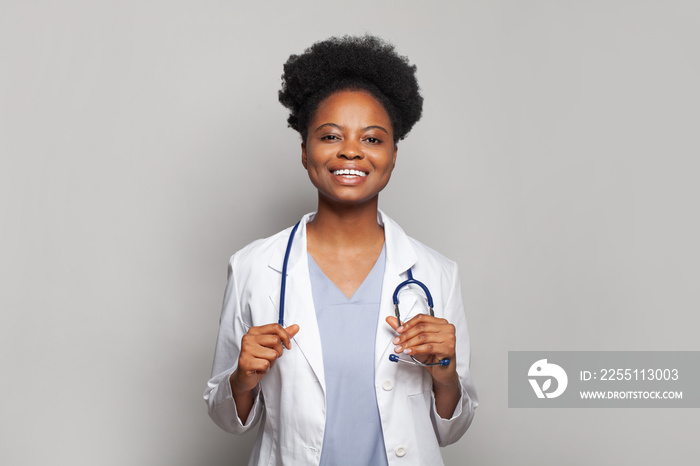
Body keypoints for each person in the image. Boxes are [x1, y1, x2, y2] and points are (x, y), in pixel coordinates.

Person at [204, 35, 478, 466]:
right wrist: (241, 380)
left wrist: (444, 372)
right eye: (331, 135)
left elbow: (451, 428)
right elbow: (225, 416)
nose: (351, 150)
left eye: (372, 139)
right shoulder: (253, 267)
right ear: (304, 151)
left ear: (392, 155)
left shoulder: (435, 272)